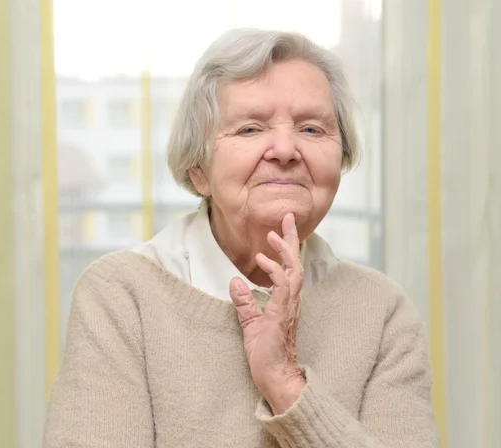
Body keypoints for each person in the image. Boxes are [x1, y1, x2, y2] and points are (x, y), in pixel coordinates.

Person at [43, 28, 439, 447]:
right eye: (251, 129)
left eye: (311, 130)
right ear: (199, 169)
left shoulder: (381, 313)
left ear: (339, 163)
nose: (285, 149)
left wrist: (286, 385)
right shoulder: (121, 296)